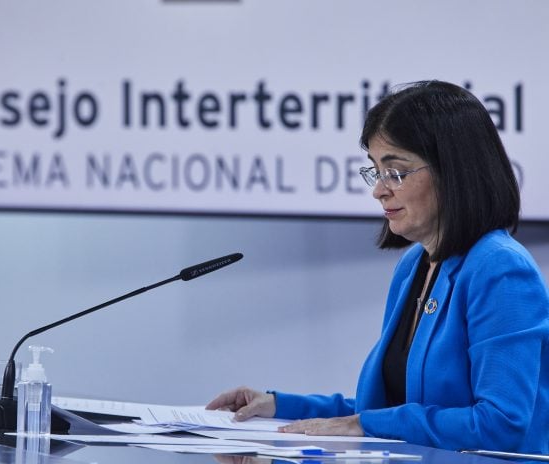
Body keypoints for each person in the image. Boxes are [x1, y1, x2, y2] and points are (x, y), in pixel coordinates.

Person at [206, 81, 549, 454]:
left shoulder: (500, 270)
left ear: (453, 171)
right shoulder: (413, 266)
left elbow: (500, 425)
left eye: (396, 173)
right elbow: (386, 411)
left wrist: (363, 423)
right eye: (375, 171)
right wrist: (278, 406)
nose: (379, 190)